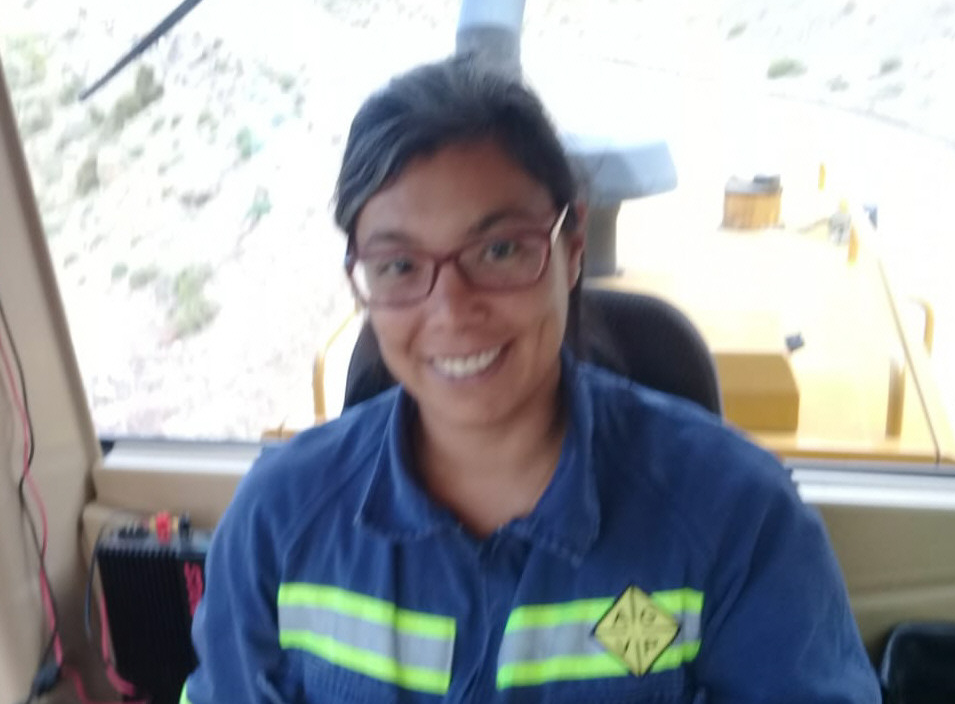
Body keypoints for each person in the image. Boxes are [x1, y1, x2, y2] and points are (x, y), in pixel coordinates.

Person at [180, 56, 880, 703]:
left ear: (571, 250)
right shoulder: (278, 521)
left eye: (498, 250)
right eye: (398, 266)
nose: (452, 311)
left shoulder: (735, 516)